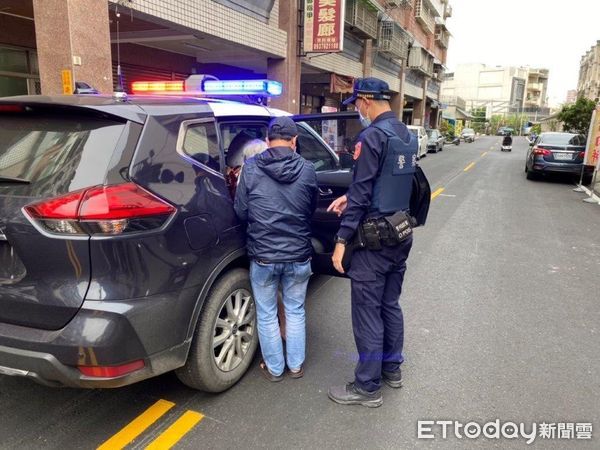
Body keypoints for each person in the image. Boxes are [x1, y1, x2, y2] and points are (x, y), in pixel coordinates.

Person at [326, 77, 418, 408]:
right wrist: (349, 196)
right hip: (401, 232)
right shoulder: (407, 134)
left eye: (358, 105)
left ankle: (367, 386)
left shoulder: (372, 136)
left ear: (365, 101)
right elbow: (392, 182)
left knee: (367, 311)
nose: (359, 111)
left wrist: (341, 240)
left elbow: (364, 190)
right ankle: (392, 370)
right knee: (389, 304)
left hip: (373, 240)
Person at [234, 117, 318, 381]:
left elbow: (241, 211)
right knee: (295, 310)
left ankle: (274, 369)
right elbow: (310, 208)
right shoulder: (307, 169)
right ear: (294, 141)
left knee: (268, 313)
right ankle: (295, 366)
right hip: (298, 254)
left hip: (263, 255)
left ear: (268, 141)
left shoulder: (250, 168)